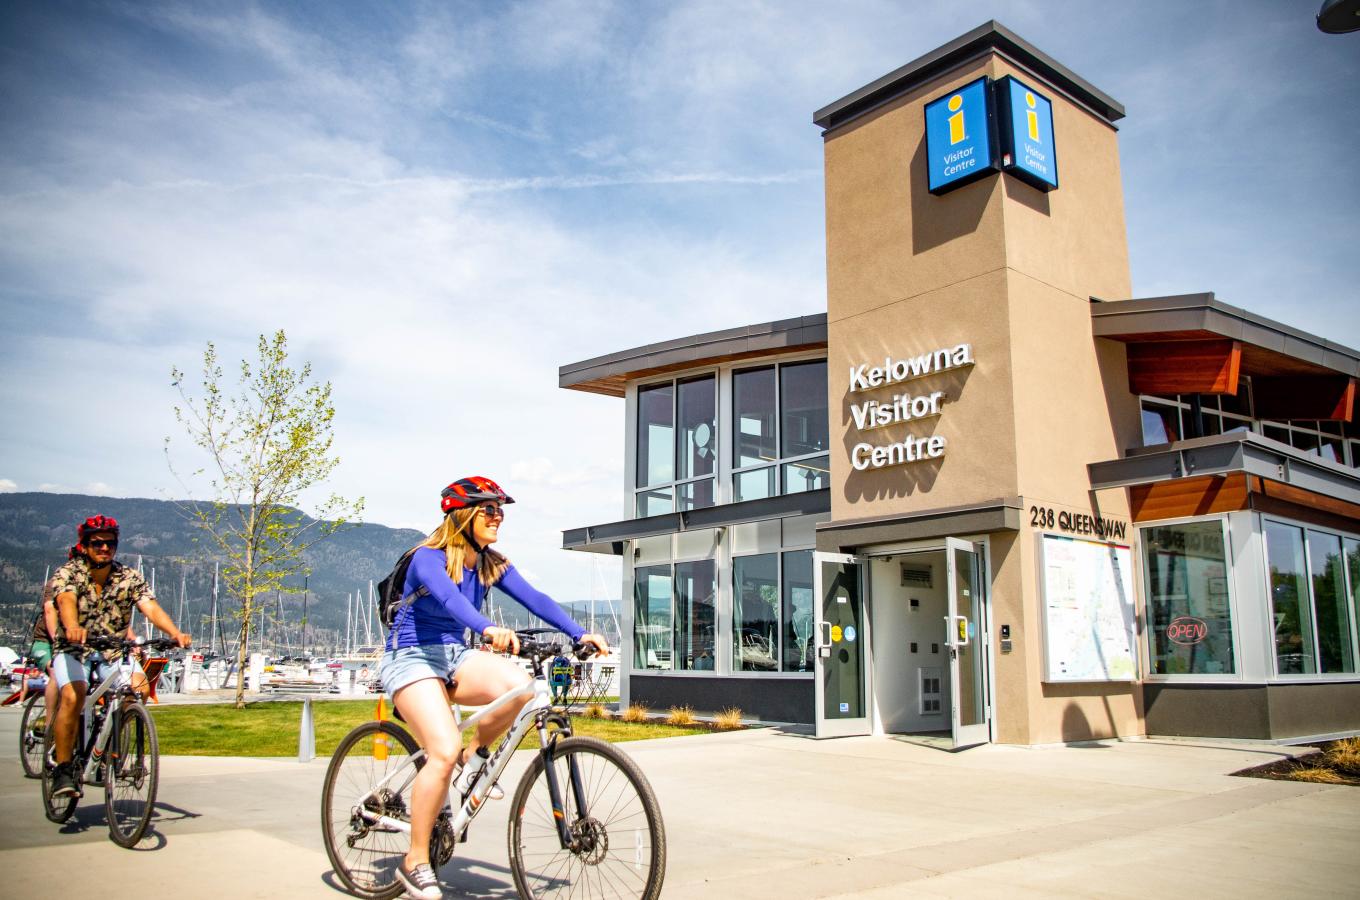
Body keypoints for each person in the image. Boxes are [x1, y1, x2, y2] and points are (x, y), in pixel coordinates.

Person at [380, 477, 609, 900]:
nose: (497, 515)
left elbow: (535, 597)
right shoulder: (426, 558)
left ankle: (476, 759)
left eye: (500, 509)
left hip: (454, 655)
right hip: (411, 657)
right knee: (442, 750)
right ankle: (414, 859)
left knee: (523, 688)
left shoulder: (491, 563)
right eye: (489, 509)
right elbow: (451, 601)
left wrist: (580, 633)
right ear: (462, 516)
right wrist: (486, 628)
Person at [48, 516, 192, 799]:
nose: (104, 548)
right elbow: (65, 601)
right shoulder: (69, 573)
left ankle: (113, 752)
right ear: (85, 545)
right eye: (97, 543)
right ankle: (63, 769)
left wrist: (175, 632)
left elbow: (150, 608)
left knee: (138, 688)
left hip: (113, 650)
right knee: (73, 696)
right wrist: (73, 626)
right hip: (74, 649)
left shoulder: (128, 577)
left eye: (110, 543)